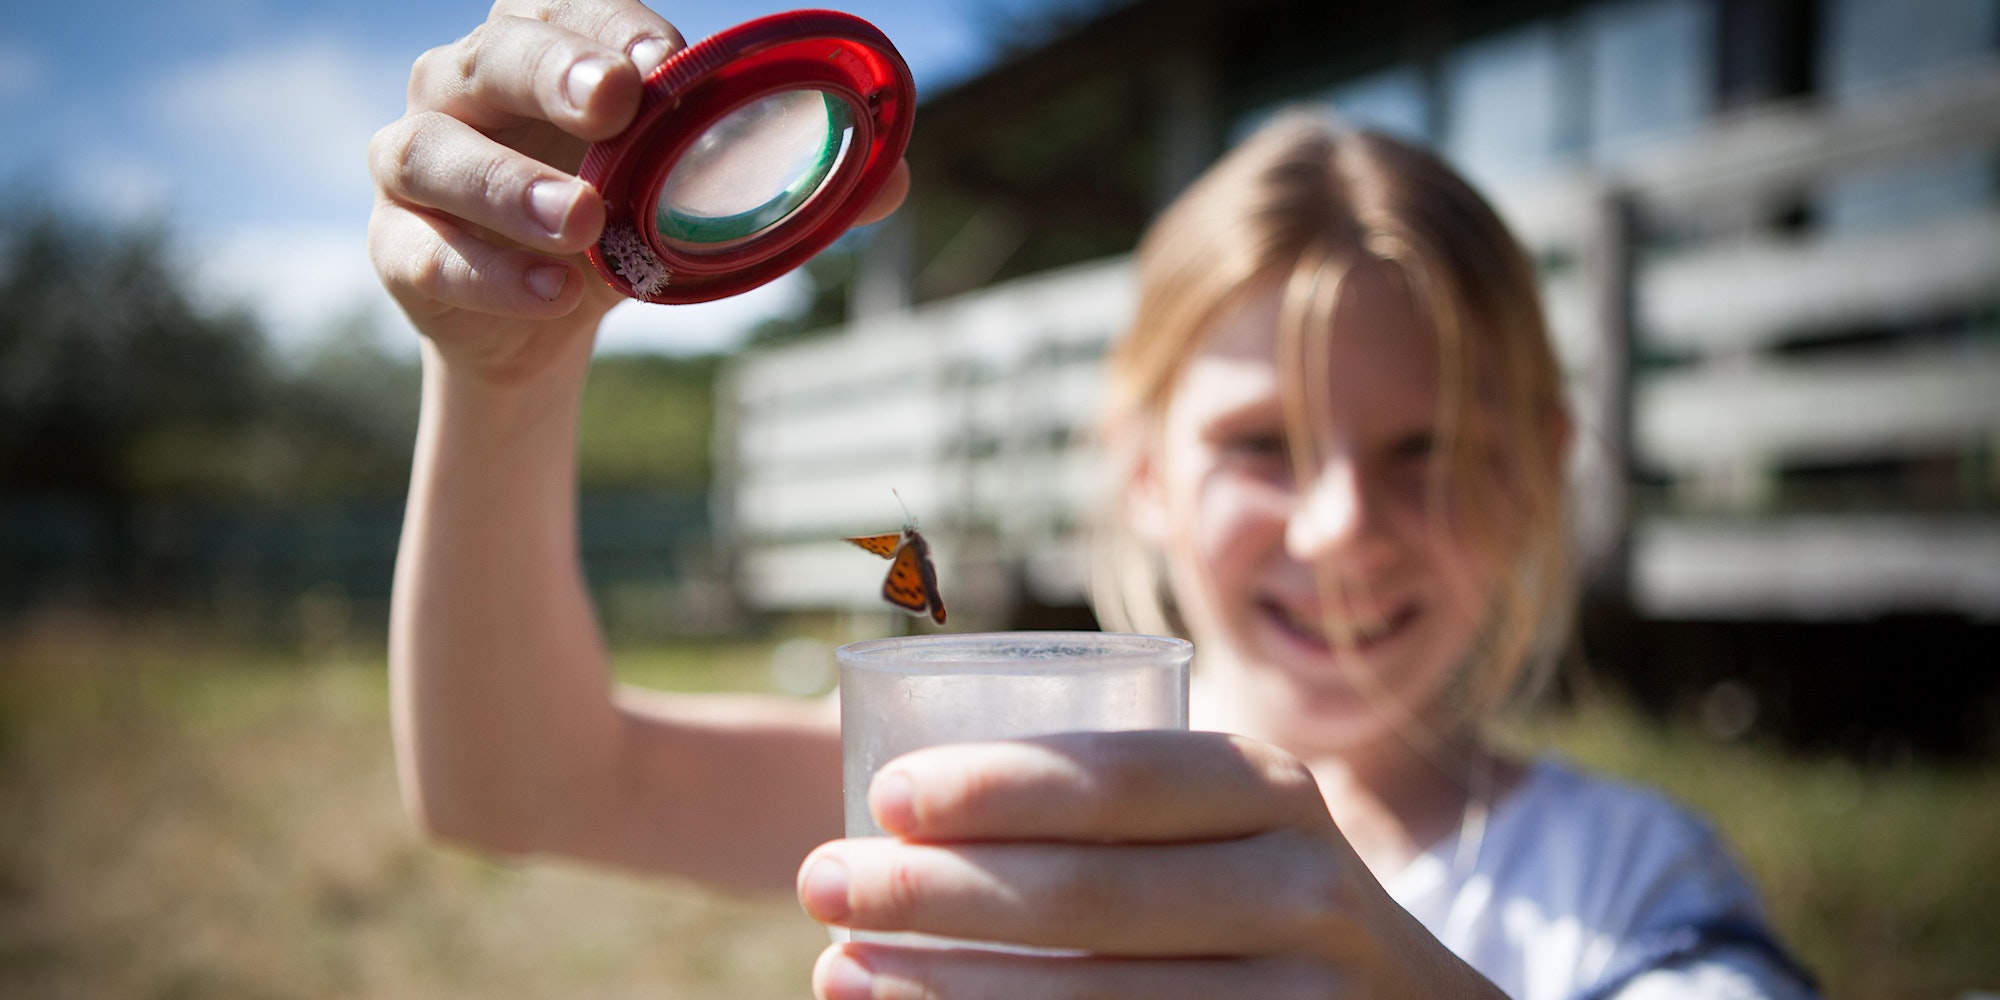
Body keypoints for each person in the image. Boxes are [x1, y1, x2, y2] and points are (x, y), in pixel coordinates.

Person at [368, 2, 1819, 998]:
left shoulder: (1635, 881)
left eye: (1426, 452)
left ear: (1543, 461)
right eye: (1263, 443)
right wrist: (507, 383)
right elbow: (516, 782)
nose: (1339, 528)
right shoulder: (997, 795)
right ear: (1140, 468)